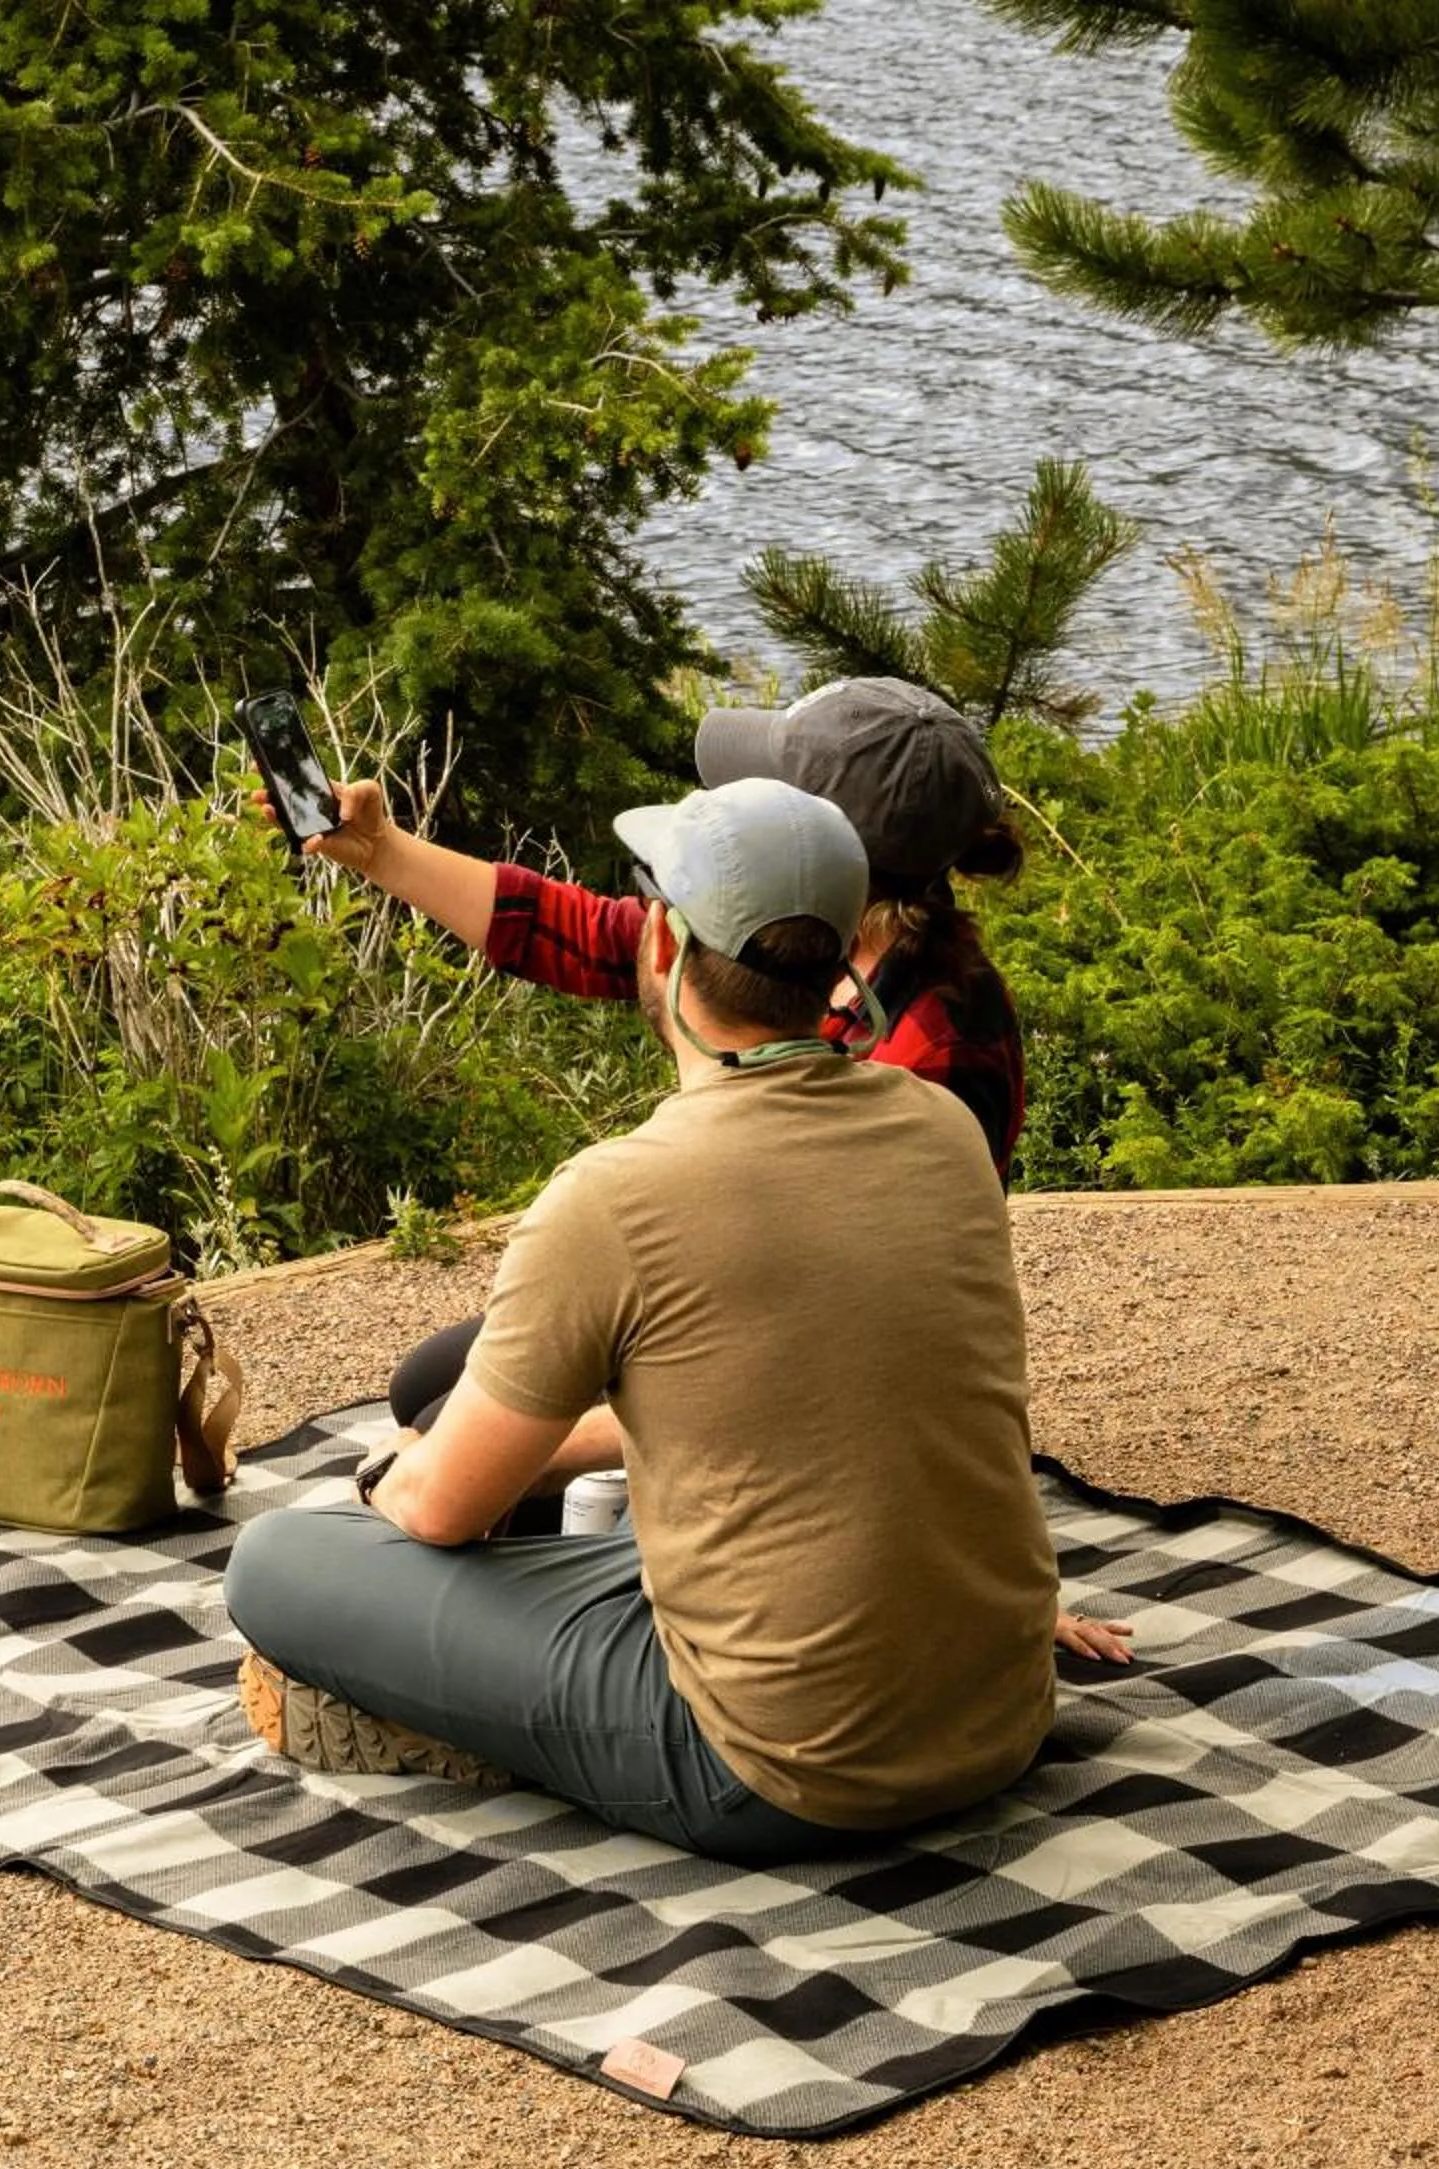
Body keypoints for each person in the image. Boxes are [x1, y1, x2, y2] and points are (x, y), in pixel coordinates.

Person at [220, 778, 1133, 1864]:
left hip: (774, 1776)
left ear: (659, 939)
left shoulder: (615, 1196)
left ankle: (504, 1744)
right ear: (846, 952)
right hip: (997, 1720)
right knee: (600, 1519)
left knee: (279, 1559)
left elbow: (440, 1516)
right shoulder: (939, 1126)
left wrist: (391, 1477)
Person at [294, 675, 1029, 1176]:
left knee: (443, 1391)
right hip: (741, 1261)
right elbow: (584, 935)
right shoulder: (790, 935)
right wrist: (384, 853)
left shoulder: (942, 1048)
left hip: (817, 1338)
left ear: (822, 847)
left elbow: (863, 1261)